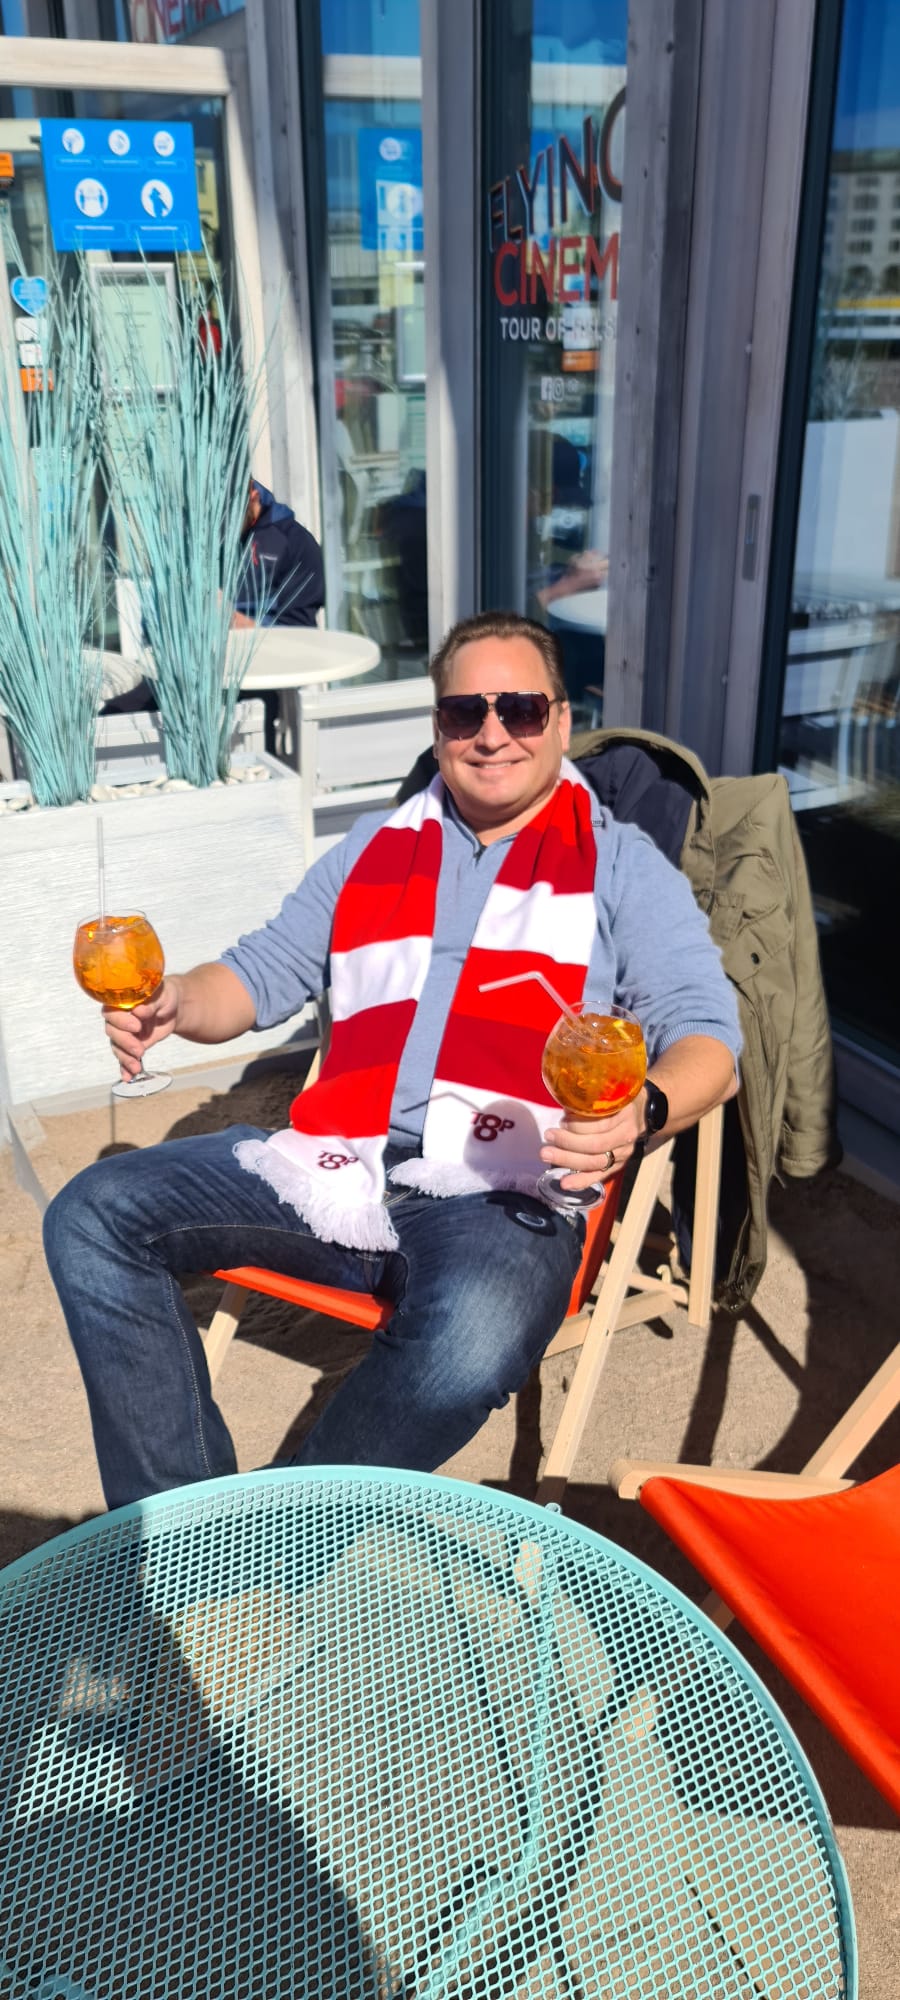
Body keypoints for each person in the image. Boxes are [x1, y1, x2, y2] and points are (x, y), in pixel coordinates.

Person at [43, 611, 741, 1513]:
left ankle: (279, 1536)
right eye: (465, 712)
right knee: (93, 1213)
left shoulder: (621, 866)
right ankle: (183, 1523)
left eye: (522, 709)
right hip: (335, 1161)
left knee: (470, 1342)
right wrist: (177, 1000)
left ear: (562, 721)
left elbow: (707, 1039)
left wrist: (643, 1108)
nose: (492, 733)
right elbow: (258, 976)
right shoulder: (373, 847)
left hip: (502, 1186)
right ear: (439, 727)